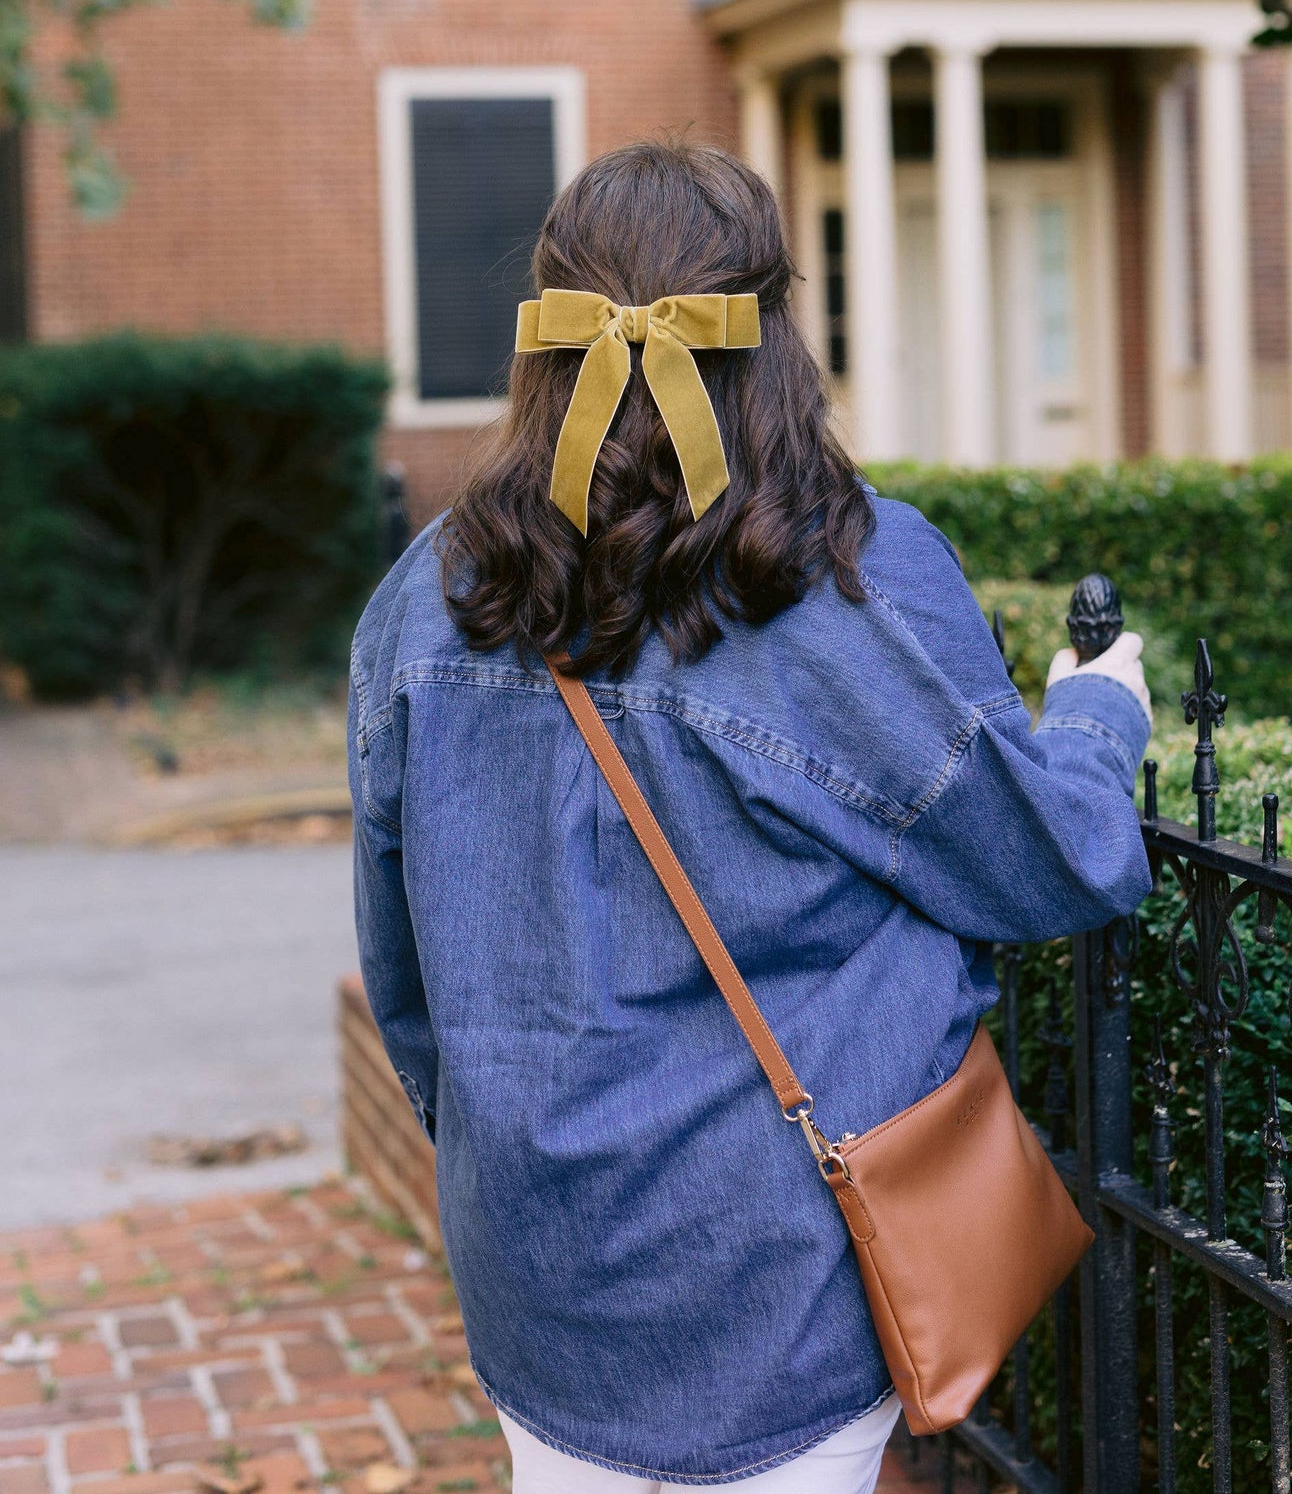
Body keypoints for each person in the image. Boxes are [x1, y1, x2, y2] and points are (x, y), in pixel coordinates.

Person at [349, 141, 1152, 1494]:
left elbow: (404, 972)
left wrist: (513, 1145)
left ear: (542, 338)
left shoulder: (424, 597)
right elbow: (1052, 862)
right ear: (775, 334)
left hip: (539, 1264)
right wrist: (1097, 713)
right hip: (783, 1268)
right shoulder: (848, 577)